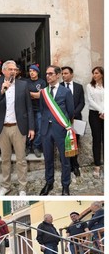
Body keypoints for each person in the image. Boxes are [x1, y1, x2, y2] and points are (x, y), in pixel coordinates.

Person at [0, 60, 34, 196]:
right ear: (3, 71)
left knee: (21, 159)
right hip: (2, 128)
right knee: (5, 159)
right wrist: (2, 91)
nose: (13, 71)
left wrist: (31, 127)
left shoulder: (23, 85)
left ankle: (22, 187)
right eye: (10, 69)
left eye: (15, 69)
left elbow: (29, 107)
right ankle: (6, 186)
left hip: (18, 127)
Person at [38, 65, 74, 196]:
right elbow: (42, 110)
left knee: (65, 160)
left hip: (61, 130)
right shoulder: (43, 92)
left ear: (58, 75)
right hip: (46, 130)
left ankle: (65, 185)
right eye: (46, 74)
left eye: (50, 74)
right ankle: (49, 182)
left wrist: (61, 124)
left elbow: (70, 112)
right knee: (48, 158)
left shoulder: (66, 92)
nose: (47, 76)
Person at [61, 66, 85, 177]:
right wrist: (66, 115)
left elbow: (82, 102)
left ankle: (75, 165)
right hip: (62, 119)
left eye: (66, 73)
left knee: (75, 142)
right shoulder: (59, 87)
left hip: (76, 119)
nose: (63, 75)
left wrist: (73, 114)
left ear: (71, 74)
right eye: (62, 73)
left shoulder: (79, 87)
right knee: (63, 142)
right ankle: (66, 166)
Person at [86, 66, 103, 177]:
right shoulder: (90, 86)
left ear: (102, 74)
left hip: (106, 113)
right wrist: (102, 111)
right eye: (93, 73)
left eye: (96, 73)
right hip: (94, 115)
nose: (94, 75)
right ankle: (97, 165)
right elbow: (90, 101)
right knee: (96, 139)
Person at [26, 64, 46, 157]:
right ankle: (28, 146)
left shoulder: (42, 82)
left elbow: (41, 95)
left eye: (33, 71)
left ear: (37, 72)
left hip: (39, 109)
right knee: (28, 128)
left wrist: (30, 94)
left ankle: (36, 146)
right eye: (30, 71)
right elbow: (24, 95)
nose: (31, 73)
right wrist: (35, 95)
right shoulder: (26, 82)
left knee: (39, 128)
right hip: (28, 109)